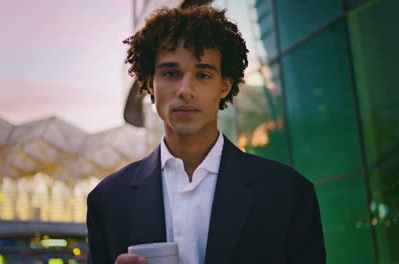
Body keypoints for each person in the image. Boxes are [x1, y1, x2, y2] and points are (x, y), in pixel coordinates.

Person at [86, 5, 326, 264]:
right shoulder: (107, 199)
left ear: (225, 85)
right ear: (149, 82)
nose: (186, 90)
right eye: (171, 73)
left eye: (203, 74)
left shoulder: (288, 193)